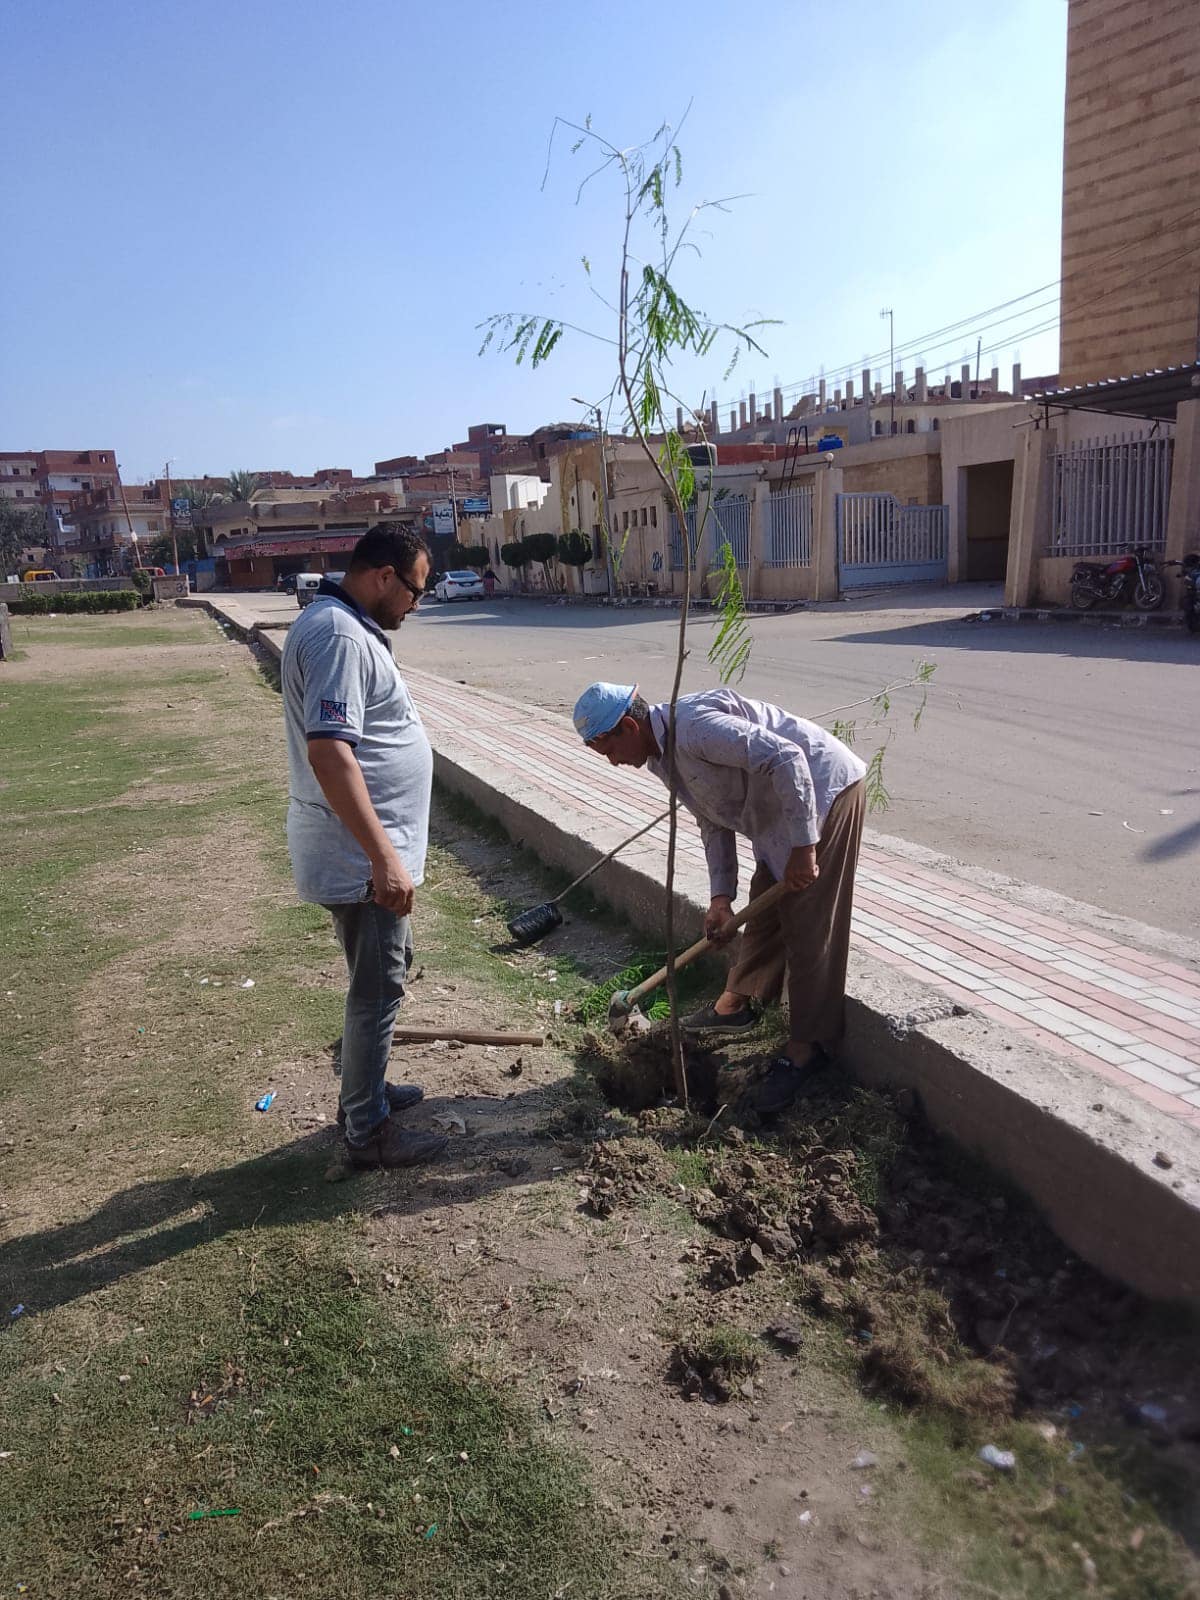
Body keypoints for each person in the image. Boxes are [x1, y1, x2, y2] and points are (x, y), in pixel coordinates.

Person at [572, 681, 867, 1113]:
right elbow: (713, 820)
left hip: (823, 794)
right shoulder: (662, 757)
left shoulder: (694, 728)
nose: (614, 763)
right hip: (778, 814)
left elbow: (788, 757)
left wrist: (805, 846)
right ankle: (736, 1005)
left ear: (628, 728)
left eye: (609, 752)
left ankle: (806, 1049)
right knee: (764, 898)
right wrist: (719, 898)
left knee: (809, 925)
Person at [281, 524, 447, 1168]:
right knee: (378, 991)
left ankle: (367, 1091)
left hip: (361, 853)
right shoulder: (339, 636)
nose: (414, 604)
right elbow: (330, 751)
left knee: (376, 981)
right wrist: (383, 859)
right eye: (414, 590)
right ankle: (367, 1132)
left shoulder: (337, 626)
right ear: (383, 576)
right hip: (359, 861)